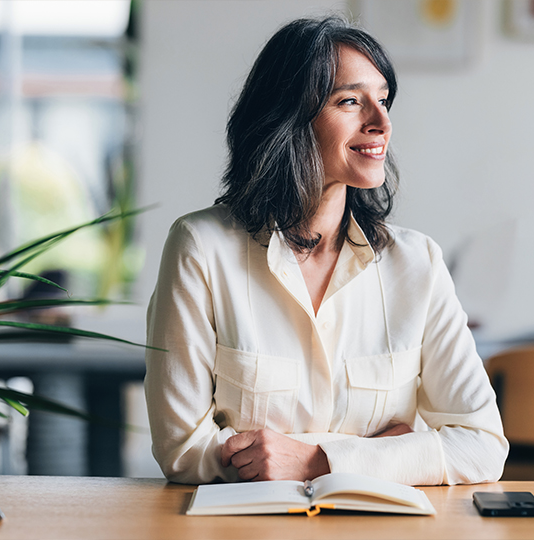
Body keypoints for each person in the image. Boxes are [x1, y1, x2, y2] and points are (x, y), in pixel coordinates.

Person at [144, 16, 508, 486]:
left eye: (383, 99)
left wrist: (319, 460)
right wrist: (386, 451)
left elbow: (482, 446)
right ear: (289, 116)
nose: (381, 122)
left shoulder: (418, 263)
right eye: (351, 101)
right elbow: (181, 449)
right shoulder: (201, 248)